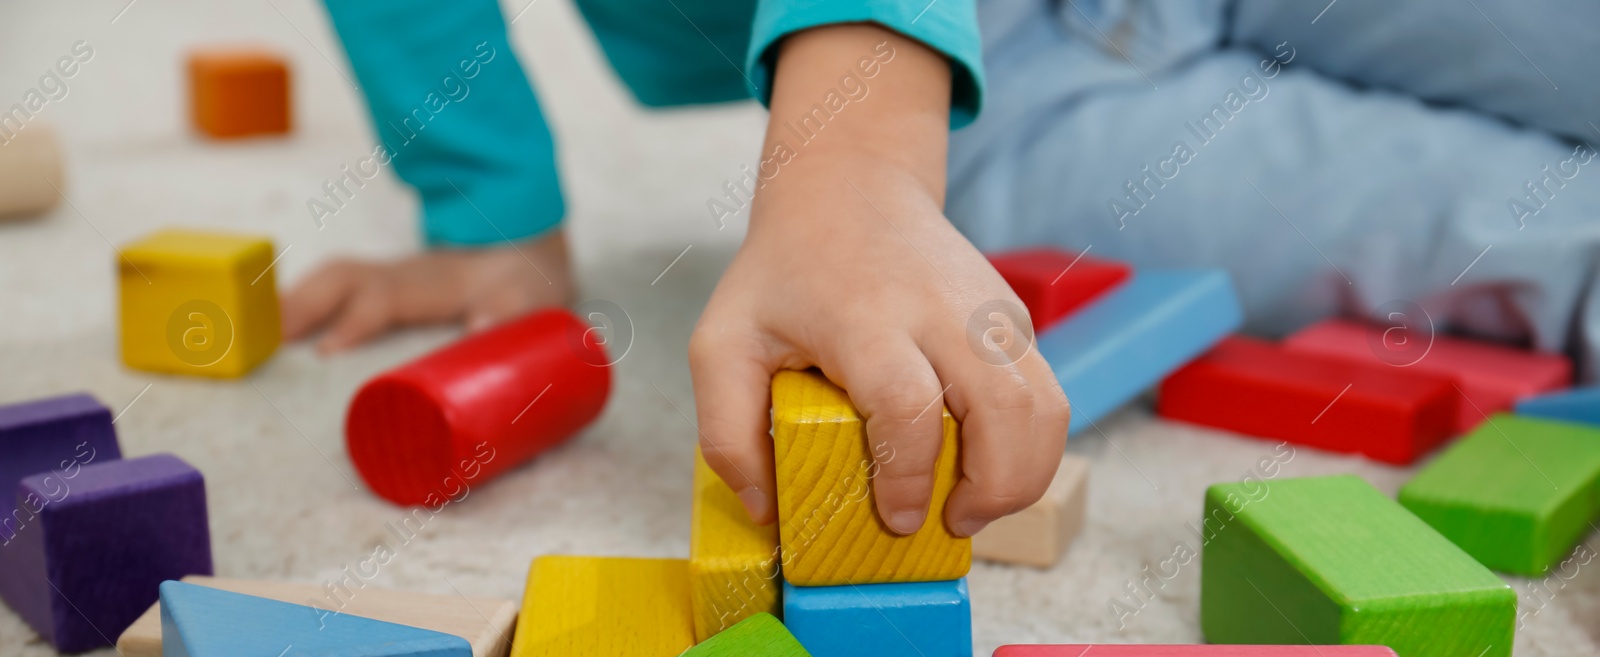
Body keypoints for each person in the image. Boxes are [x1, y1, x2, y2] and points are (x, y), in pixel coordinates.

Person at [287, 0, 1600, 534]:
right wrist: (487, 202)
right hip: (1003, 90)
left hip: (902, 104)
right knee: (1536, 244)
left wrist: (856, 157)